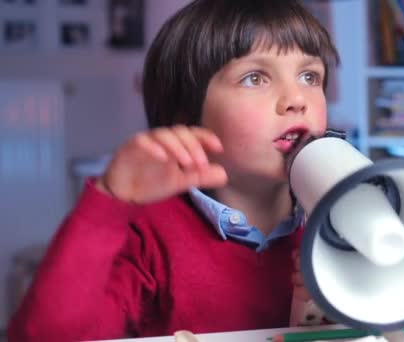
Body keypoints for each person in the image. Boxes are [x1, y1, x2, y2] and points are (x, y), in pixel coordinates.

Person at [7, 0, 339, 340]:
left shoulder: (344, 224)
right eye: (255, 77)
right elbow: (45, 335)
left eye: (309, 76)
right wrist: (106, 204)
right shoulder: (146, 238)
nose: (296, 98)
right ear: (186, 116)